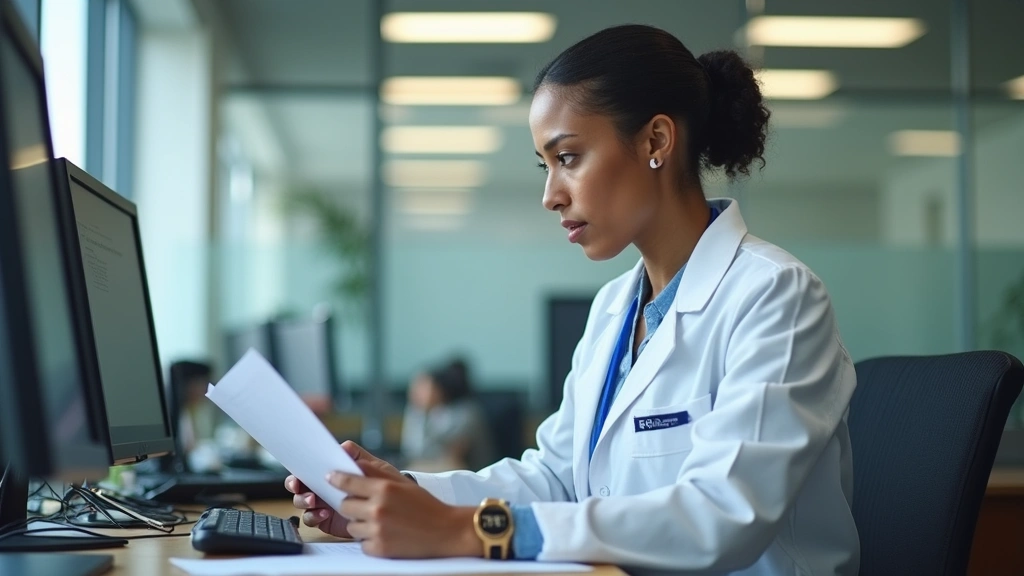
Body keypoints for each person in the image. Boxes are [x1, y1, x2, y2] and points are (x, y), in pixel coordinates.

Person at [286, 23, 858, 575]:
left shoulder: (774, 294)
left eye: (568, 158)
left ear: (656, 140)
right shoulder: (614, 308)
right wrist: (403, 496)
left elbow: (721, 514)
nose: (550, 196)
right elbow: (557, 477)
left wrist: (466, 531)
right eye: (546, 164)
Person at [400, 358, 497, 472]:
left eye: (422, 386)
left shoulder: (465, 414)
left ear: (438, 388)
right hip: (431, 474)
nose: (414, 392)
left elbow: (452, 463)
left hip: (470, 479)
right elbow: (412, 452)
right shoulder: (418, 412)